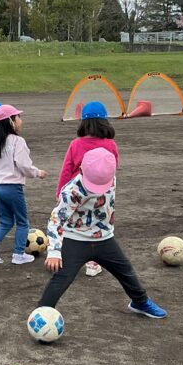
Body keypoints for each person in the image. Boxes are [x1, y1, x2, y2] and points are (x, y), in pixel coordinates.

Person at [39, 148, 166, 319]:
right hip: (75, 239)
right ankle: (41, 313)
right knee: (62, 278)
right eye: (93, 184)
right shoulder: (71, 191)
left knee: (125, 270)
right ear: (81, 170)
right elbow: (56, 220)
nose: (97, 190)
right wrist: (54, 252)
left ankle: (140, 302)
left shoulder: (109, 178)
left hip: (104, 238)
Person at [56, 101, 121, 277]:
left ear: (83, 123)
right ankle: (93, 263)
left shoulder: (75, 144)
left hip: (76, 193)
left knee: (70, 224)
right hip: (100, 194)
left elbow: (66, 170)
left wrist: (60, 192)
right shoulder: (110, 144)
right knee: (97, 225)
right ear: (105, 122)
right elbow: (113, 168)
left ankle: (63, 255)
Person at [0, 104, 47, 265]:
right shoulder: (18, 141)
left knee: (6, 222)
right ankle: (18, 254)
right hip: (13, 188)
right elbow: (23, 164)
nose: (21, 120)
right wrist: (37, 173)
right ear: (10, 121)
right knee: (22, 222)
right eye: (18, 117)